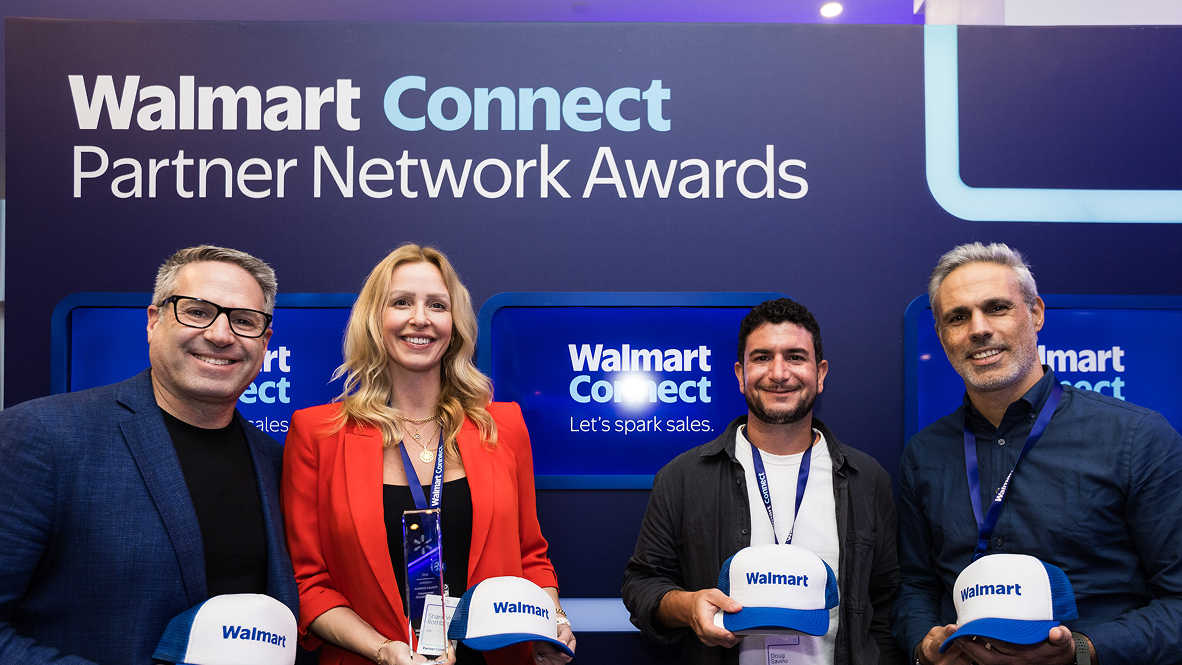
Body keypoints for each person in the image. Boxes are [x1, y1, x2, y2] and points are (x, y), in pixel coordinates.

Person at [0, 245, 299, 664]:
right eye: (197, 311)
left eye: (244, 321)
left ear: (264, 342)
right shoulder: (44, 435)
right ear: (154, 320)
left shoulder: (273, 459)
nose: (220, 334)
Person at [282, 243, 576, 665]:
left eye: (437, 305)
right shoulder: (318, 434)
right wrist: (384, 651)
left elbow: (530, 555)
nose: (420, 318)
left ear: (454, 324)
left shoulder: (503, 425)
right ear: (374, 319)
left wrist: (553, 622)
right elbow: (308, 583)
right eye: (401, 302)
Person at [893, 242, 1182, 665]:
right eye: (958, 317)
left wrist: (1083, 651)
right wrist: (923, 646)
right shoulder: (924, 454)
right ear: (941, 335)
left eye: (996, 308)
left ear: (1036, 313)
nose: (978, 329)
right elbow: (914, 587)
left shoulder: (1137, 437)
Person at [623, 297, 901, 665]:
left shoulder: (867, 479)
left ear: (820, 373)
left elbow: (884, 602)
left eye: (795, 357)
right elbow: (641, 585)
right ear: (740, 374)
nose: (779, 373)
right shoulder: (683, 477)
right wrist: (688, 606)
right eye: (762, 357)